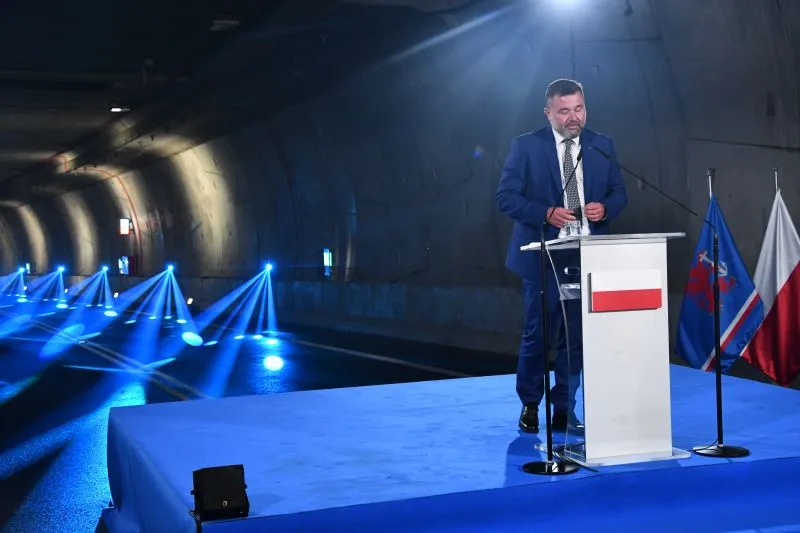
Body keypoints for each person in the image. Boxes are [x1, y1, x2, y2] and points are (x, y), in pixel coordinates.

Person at [496, 79, 627, 433]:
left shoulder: (601, 145)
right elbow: (505, 197)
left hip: (587, 256)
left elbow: (619, 192)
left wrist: (606, 208)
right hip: (543, 257)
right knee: (538, 334)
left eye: (579, 109)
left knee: (577, 339)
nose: (574, 118)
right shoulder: (527, 146)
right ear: (549, 112)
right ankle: (530, 404)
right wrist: (545, 213)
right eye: (565, 111)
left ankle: (564, 409)